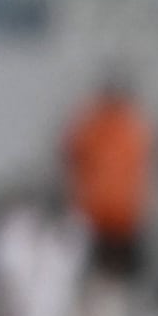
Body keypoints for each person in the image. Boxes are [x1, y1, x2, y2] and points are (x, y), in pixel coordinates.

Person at [64, 71, 149, 273]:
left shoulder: (88, 124)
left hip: (97, 209)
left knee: (96, 266)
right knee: (118, 266)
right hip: (121, 210)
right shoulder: (135, 126)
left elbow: (71, 155)